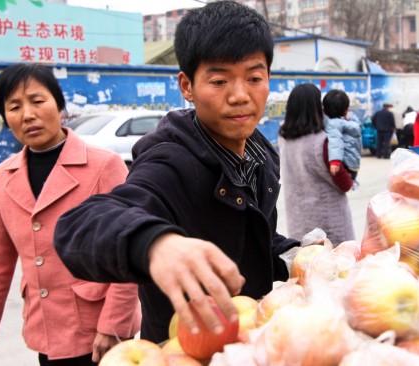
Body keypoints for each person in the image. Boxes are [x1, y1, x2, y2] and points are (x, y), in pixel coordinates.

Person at [54, 1, 300, 344]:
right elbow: (79, 227)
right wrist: (155, 243)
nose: (240, 96)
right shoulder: (170, 163)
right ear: (187, 86)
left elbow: (245, 240)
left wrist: (296, 255)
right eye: (219, 81)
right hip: (185, 348)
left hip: (246, 341)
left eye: (254, 78)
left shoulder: (258, 151)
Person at [0, 63, 141, 365]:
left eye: (37, 101)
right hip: (45, 326)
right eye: (14, 107)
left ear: (60, 105)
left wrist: (114, 322)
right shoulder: (4, 176)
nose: (28, 114)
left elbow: (127, 250)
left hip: (98, 330)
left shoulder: (104, 165)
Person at [279, 83, 355, 245]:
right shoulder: (322, 142)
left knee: (306, 266)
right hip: (328, 227)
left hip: (298, 221)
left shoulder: (284, 137)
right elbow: (345, 183)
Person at [322, 89, 362, 182]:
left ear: (324, 111)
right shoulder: (350, 124)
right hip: (353, 165)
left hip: (344, 164)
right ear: (346, 110)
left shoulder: (333, 124)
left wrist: (335, 161)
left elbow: (335, 141)